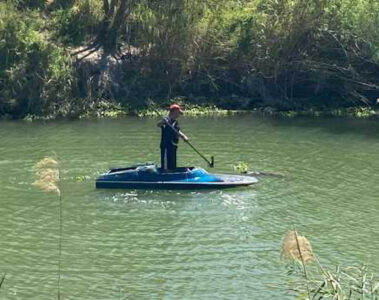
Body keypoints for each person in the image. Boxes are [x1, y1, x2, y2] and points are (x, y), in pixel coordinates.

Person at [157, 104, 188, 170]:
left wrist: (183, 137)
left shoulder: (175, 122)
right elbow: (159, 124)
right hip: (166, 146)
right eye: (178, 113)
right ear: (174, 112)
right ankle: (165, 174)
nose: (179, 115)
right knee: (166, 165)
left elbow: (177, 131)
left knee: (172, 164)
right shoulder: (166, 119)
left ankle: (172, 172)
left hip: (173, 146)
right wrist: (164, 122)